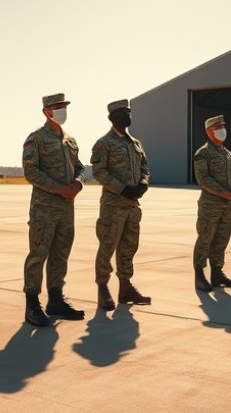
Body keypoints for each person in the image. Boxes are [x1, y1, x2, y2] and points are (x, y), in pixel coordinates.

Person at [21, 93, 85, 326]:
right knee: (38, 254)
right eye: (57, 107)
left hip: (67, 208)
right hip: (44, 208)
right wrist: (59, 189)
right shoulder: (36, 139)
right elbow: (31, 172)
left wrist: (78, 183)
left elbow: (79, 167)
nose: (62, 111)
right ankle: (32, 305)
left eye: (64, 106)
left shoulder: (70, 141)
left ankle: (56, 300)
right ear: (46, 111)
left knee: (61, 254)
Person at [91, 99, 151, 310]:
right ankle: (103, 289)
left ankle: (125, 288)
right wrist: (122, 188)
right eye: (122, 112)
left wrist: (143, 183)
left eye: (128, 111)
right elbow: (99, 171)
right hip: (113, 206)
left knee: (129, 248)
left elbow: (144, 166)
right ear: (112, 117)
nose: (127, 115)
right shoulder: (104, 143)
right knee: (107, 247)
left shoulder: (135, 144)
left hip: (132, 207)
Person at [191, 115, 231, 292]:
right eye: (218, 127)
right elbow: (203, 178)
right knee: (205, 239)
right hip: (210, 205)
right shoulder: (203, 153)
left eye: (223, 126)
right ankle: (199, 275)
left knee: (221, 240)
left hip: (227, 205)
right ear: (209, 131)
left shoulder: (227, 153)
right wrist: (223, 192)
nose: (222, 130)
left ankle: (217, 273)